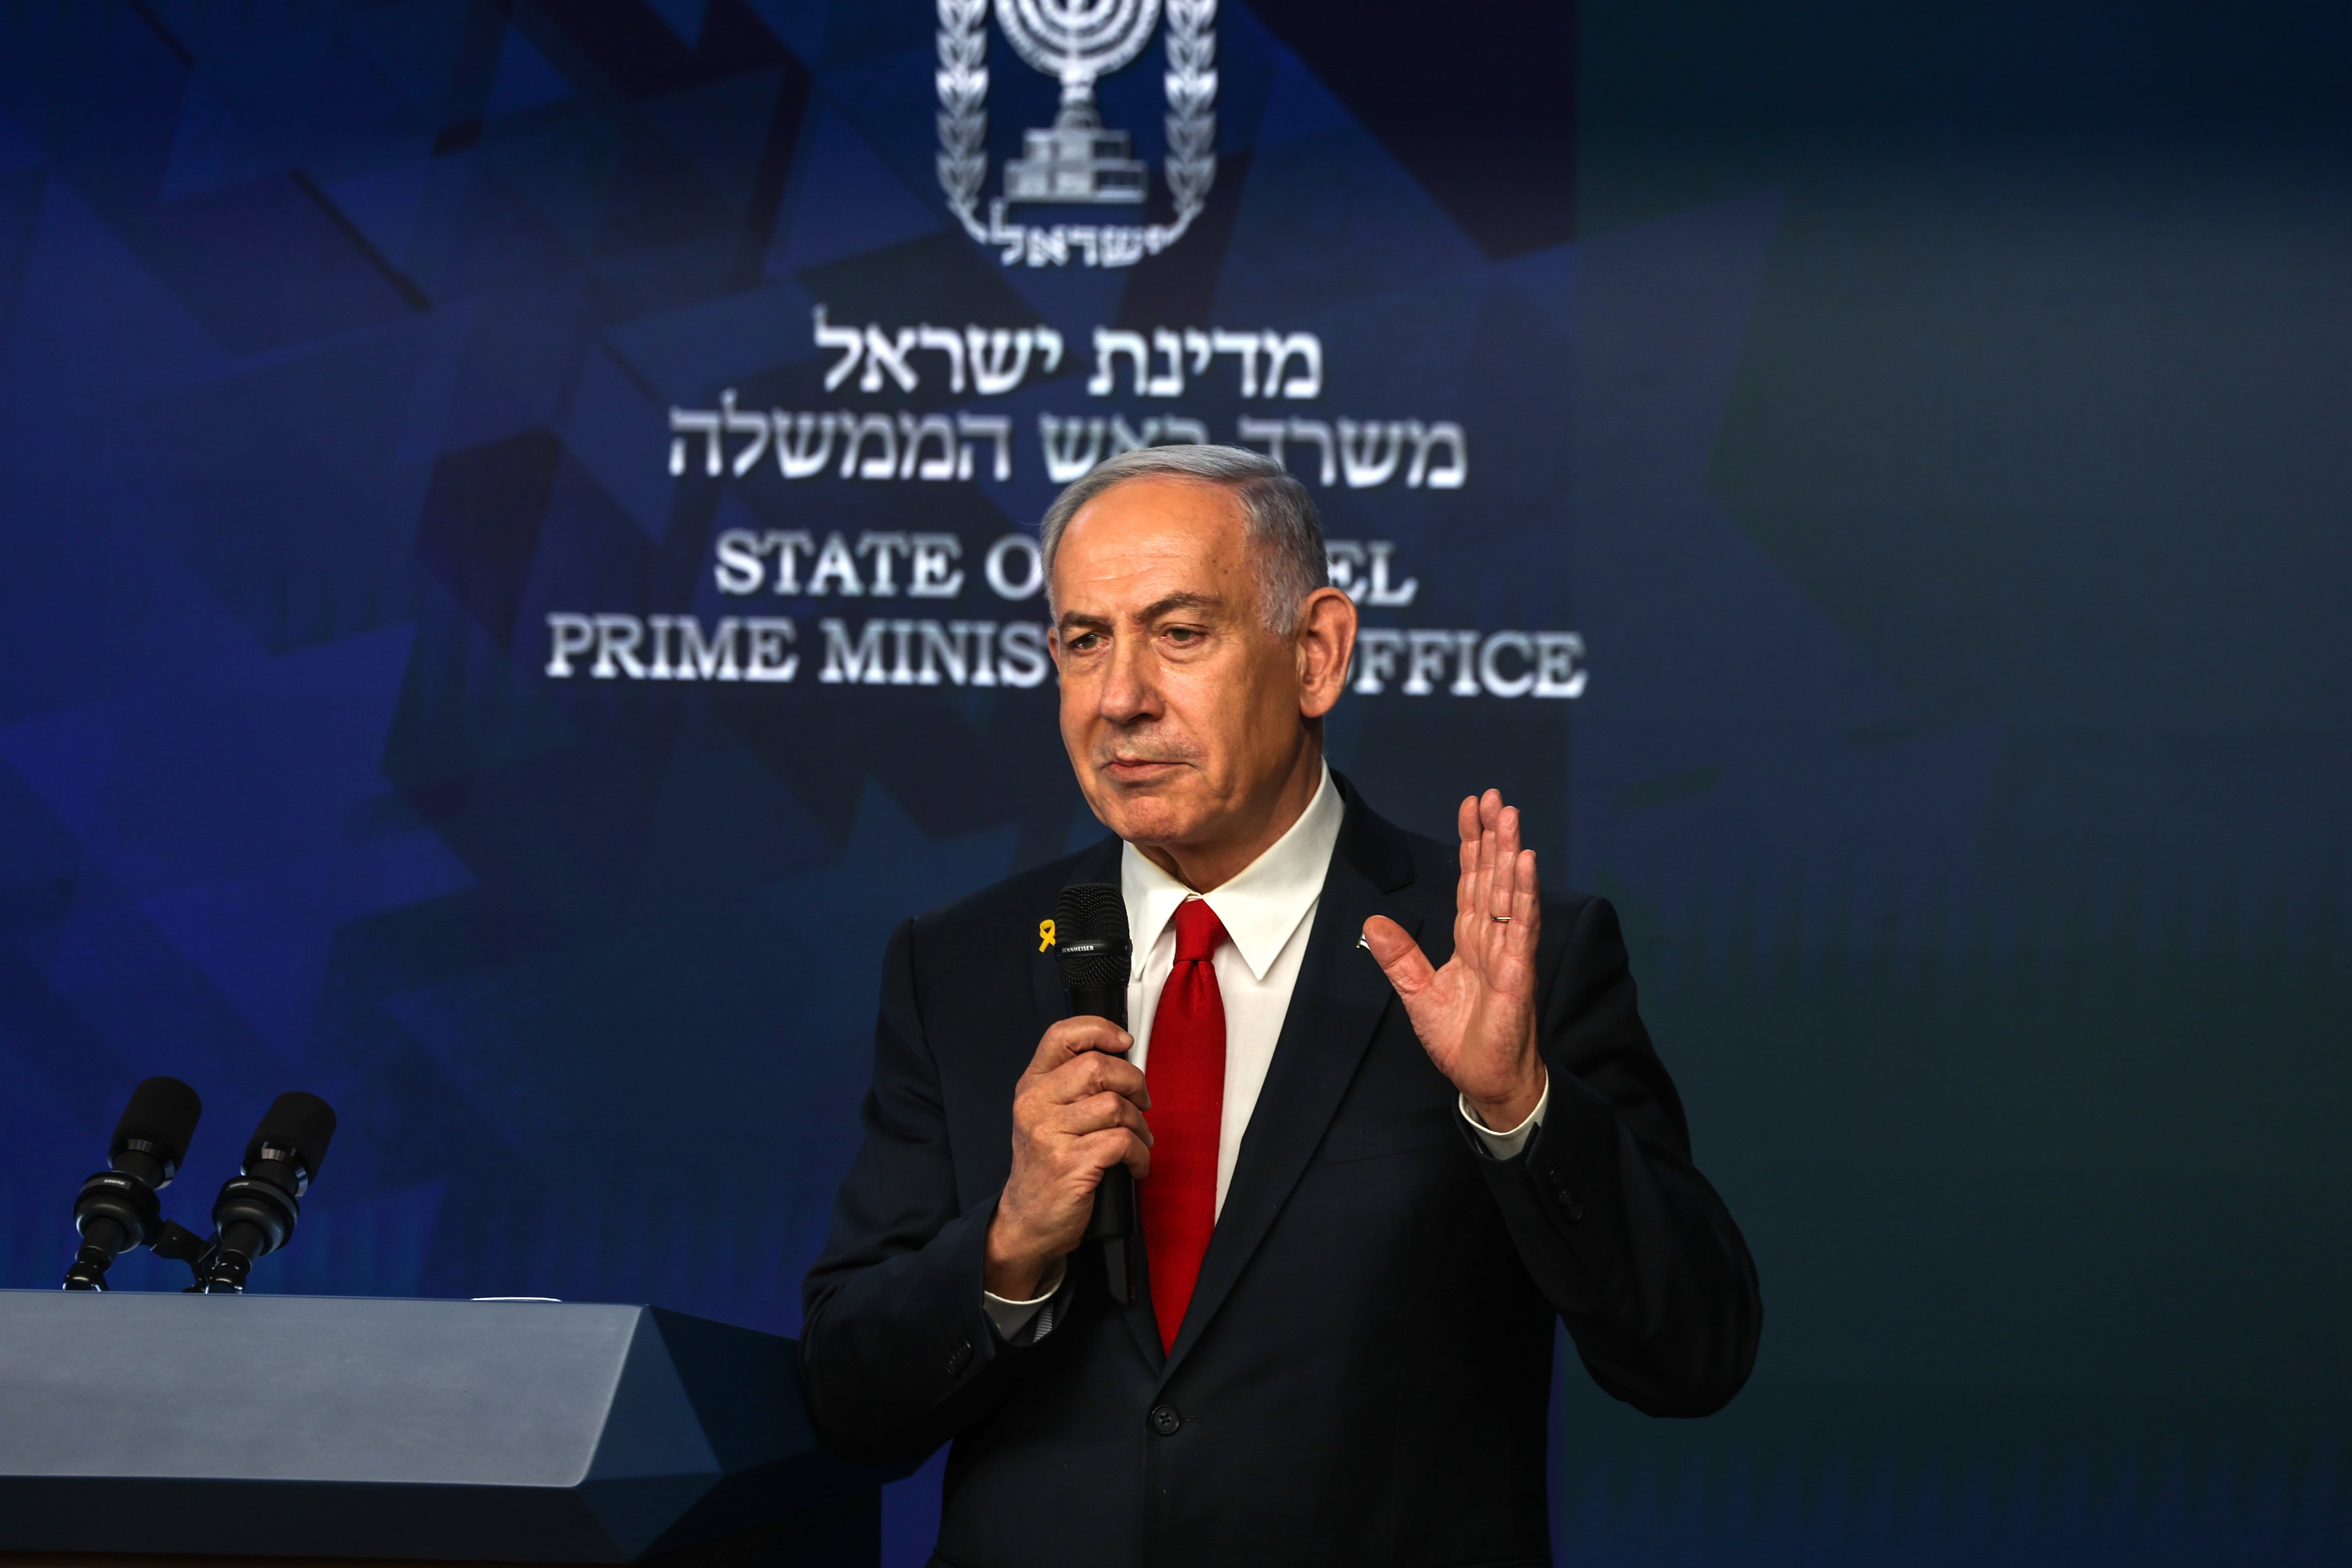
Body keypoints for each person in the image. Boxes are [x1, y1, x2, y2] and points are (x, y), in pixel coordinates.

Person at [800, 446, 1760, 1567]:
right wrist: (1011, 1242)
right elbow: (848, 1400)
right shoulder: (956, 963)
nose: (1119, 698)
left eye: (1179, 632)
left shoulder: (1495, 953)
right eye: (1083, 640)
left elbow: (1694, 1351)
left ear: (1316, 654)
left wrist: (1518, 1105)